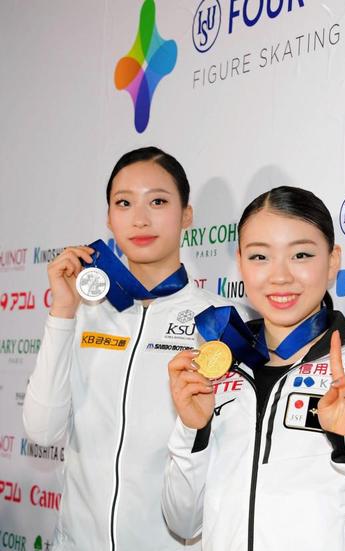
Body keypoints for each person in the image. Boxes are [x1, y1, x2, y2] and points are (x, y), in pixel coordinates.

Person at [162, 186, 345, 550]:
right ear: (240, 263)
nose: (280, 276)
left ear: (332, 261)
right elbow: (182, 521)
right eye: (260, 257)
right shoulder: (216, 368)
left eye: (301, 255)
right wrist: (193, 431)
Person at [23, 146, 239, 550]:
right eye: (124, 203)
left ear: (186, 215)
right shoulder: (83, 312)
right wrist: (63, 311)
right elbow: (41, 430)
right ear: (108, 217)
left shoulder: (220, 322)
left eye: (158, 201)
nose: (140, 218)